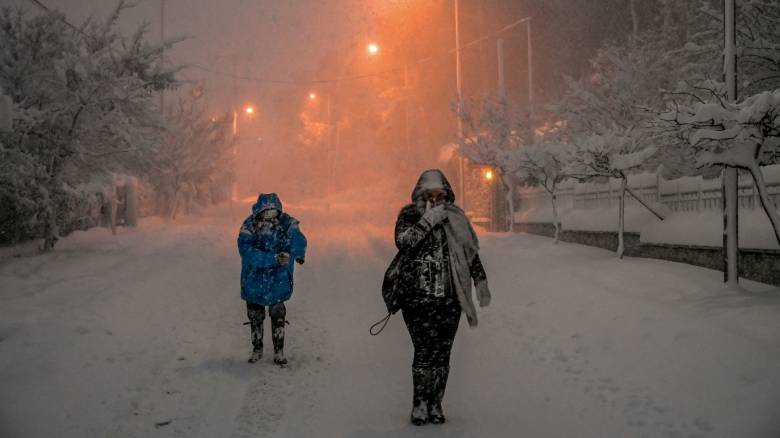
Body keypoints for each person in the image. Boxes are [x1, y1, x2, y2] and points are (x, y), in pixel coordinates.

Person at [387, 169, 491, 425]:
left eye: (439, 194)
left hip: (449, 299)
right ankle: (420, 404)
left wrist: (480, 280)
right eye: (429, 193)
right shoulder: (409, 215)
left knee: (443, 354)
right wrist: (427, 221)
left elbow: (468, 252)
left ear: (446, 194)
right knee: (423, 352)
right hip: (417, 299)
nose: (434, 198)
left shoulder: (455, 218)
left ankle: (436, 404)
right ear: (420, 193)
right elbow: (403, 242)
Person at [237, 193, 307, 366]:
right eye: (266, 212)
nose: (269, 216)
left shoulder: (286, 223)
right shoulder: (249, 226)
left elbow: (297, 236)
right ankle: (257, 348)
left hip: (277, 278)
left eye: (273, 212)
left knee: (278, 314)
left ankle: (279, 351)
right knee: (255, 314)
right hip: (254, 278)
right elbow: (246, 252)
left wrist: (297, 252)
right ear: (259, 211)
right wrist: (273, 259)